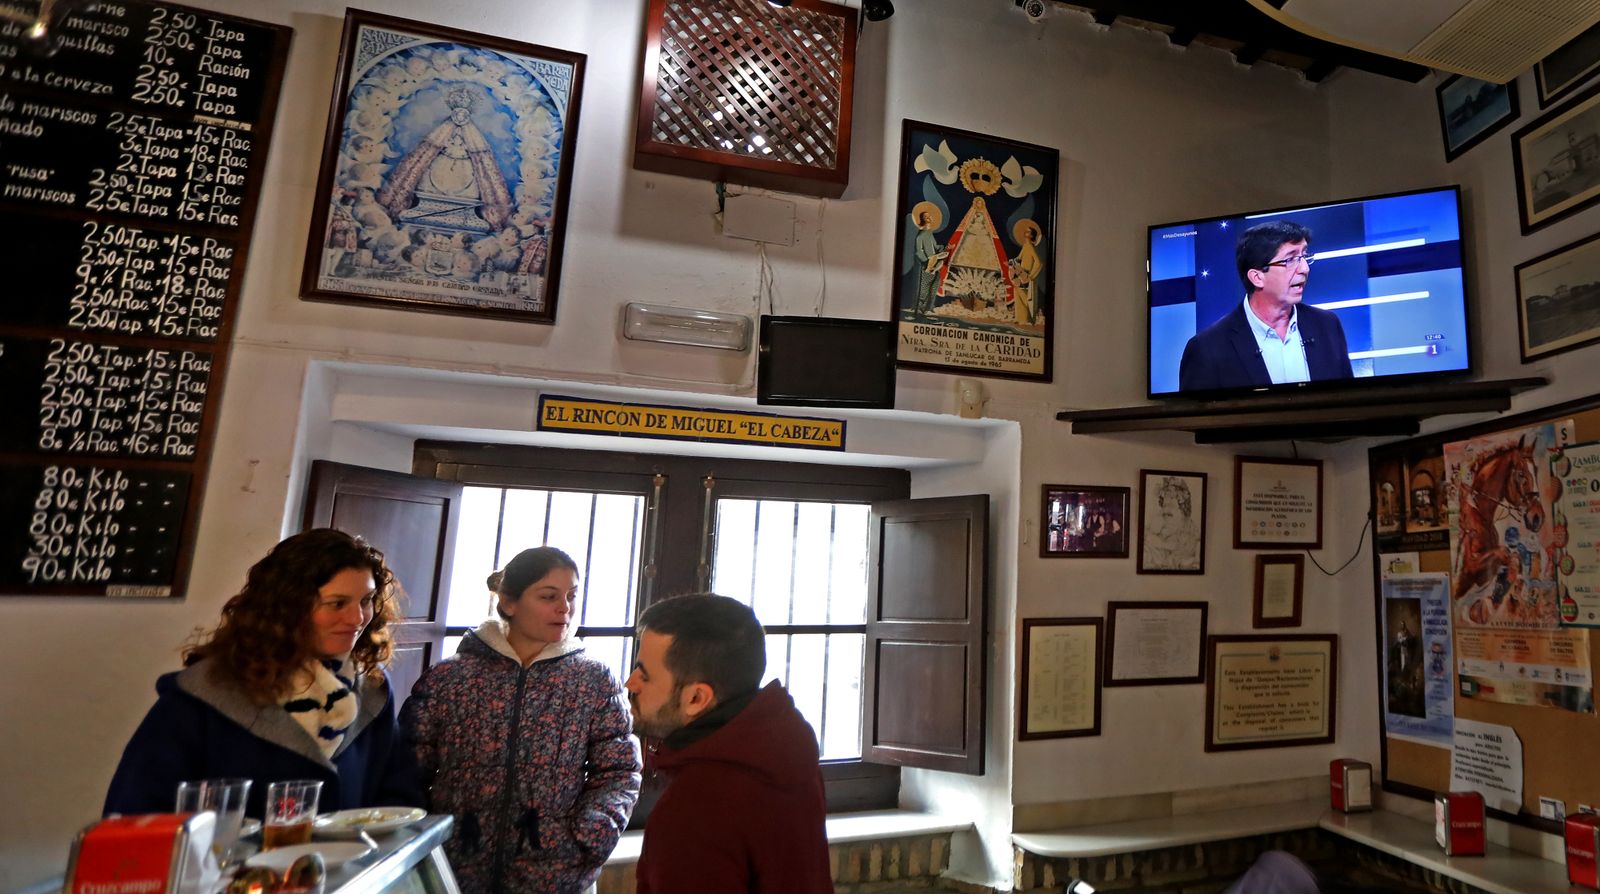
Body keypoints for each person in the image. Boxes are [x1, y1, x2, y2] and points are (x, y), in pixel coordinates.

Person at [103, 529, 423, 818]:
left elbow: (400, 801)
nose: (357, 617)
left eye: (366, 601)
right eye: (337, 603)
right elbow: (135, 814)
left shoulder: (371, 689)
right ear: (288, 606)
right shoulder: (204, 696)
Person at [400, 547, 640, 894]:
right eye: (549, 596)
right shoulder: (450, 677)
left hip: (558, 876)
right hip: (455, 870)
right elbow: (408, 768)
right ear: (509, 603)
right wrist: (424, 844)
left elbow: (619, 771)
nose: (565, 608)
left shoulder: (593, 680)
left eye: (572, 596)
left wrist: (588, 839)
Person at [625, 594, 831, 894]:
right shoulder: (783, 753)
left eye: (644, 674)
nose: (630, 683)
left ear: (696, 699)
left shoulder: (694, 808)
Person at [1178, 220, 1353, 393]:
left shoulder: (1327, 325)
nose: (1305, 268)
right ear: (1257, 277)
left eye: (1304, 256)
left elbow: (1348, 401)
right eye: (1290, 259)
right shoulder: (1207, 349)